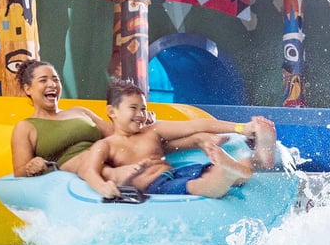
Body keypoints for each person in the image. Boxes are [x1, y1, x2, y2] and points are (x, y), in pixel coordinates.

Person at [77, 78, 278, 199]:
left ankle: (258, 158)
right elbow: (90, 170)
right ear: (112, 111)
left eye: (143, 109)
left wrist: (242, 128)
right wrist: (103, 187)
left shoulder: (152, 130)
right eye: (133, 108)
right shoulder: (106, 145)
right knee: (200, 184)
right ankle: (229, 172)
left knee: (210, 172)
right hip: (156, 186)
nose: (140, 114)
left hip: (175, 173)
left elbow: (198, 125)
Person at [9, 60, 114, 177]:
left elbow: (117, 134)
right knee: (87, 157)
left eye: (55, 79)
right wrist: (33, 166)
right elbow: (20, 172)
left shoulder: (80, 111)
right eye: (43, 80)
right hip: (70, 172)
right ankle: (117, 176)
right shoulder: (25, 127)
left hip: (104, 157)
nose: (52, 84)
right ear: (28, 89)